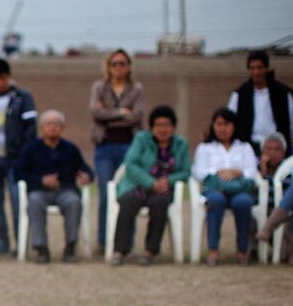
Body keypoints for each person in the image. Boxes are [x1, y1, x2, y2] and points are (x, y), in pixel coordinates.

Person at [109, 106, 190, 266]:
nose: (162, 129)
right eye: (158, 125)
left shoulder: (181, 144)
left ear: (173, 127)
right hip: (138, 186)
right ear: (151, 127)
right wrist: (151, 183)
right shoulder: (141, 139)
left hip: (164, 189)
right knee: (126, 202)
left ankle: (150, 251)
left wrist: (168, 181)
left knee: (159, 204)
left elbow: (186, 171)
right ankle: (119, 250)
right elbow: (131, 164)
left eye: (166, 125)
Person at [0, 58, 37, 254]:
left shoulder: (22, 98)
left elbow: (30, 130)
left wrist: (25, 156)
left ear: (9, 77)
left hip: (15, 159)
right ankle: (1, 239)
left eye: (2, 79)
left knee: (18, 201)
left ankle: (21, 241)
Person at [15, 110, 93, 263]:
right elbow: (19, 173)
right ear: (41, 128)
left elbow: (86, 169)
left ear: (62, 128)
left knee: (74, 202)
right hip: (39, 191)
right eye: (48, 124)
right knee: (34, 202)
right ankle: (41, 248)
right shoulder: (31, 149)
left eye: (56, 124)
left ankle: (70, 246)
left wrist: (87, 176)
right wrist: (41, 180)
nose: (52, 127)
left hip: (65, 190)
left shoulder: (70, 149)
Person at [89, 49, 145, 253]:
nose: (118, 67)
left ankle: (125, 242)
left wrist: (108, 113)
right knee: (105, 194)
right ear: (108, 66)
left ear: (129, 66)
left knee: (128, 193)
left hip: (129, 148)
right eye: (114, 63)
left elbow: (138, 116)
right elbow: (95, 112)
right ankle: (104, 241)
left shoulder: (137, 88)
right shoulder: (99, 87)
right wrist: (122, 111)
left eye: (122, 63)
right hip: (104, 146)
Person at [192, 108, 258, 266]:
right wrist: (218, 172)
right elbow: (199, 172)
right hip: (215, 190)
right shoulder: (205, 147)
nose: (222, 128)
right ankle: (213, 249)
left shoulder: (244, 147)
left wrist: (236, 172)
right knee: (215, 201)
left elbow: (251, 173)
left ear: (234, 126)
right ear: (213, 126)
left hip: (240, 190)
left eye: (226, 124)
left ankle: (243, 250)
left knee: (243, 203)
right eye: (218, 124)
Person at [227, 50, 293, 154]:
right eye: (252, 68)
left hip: (277, 148)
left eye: (259, 68)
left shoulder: (283, 93)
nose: (256, 72)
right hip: (249, 148)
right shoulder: (239, 95)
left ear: (266, 68)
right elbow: (230, 123)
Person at [256, 133, 293, 258]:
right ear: (262, 151)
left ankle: (269, 226)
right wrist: (263, 172)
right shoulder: (255, 170)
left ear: (283, 153)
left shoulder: (287, 172)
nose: (272, 153)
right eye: (268, 149)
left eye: (277, 149)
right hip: (264, 210)